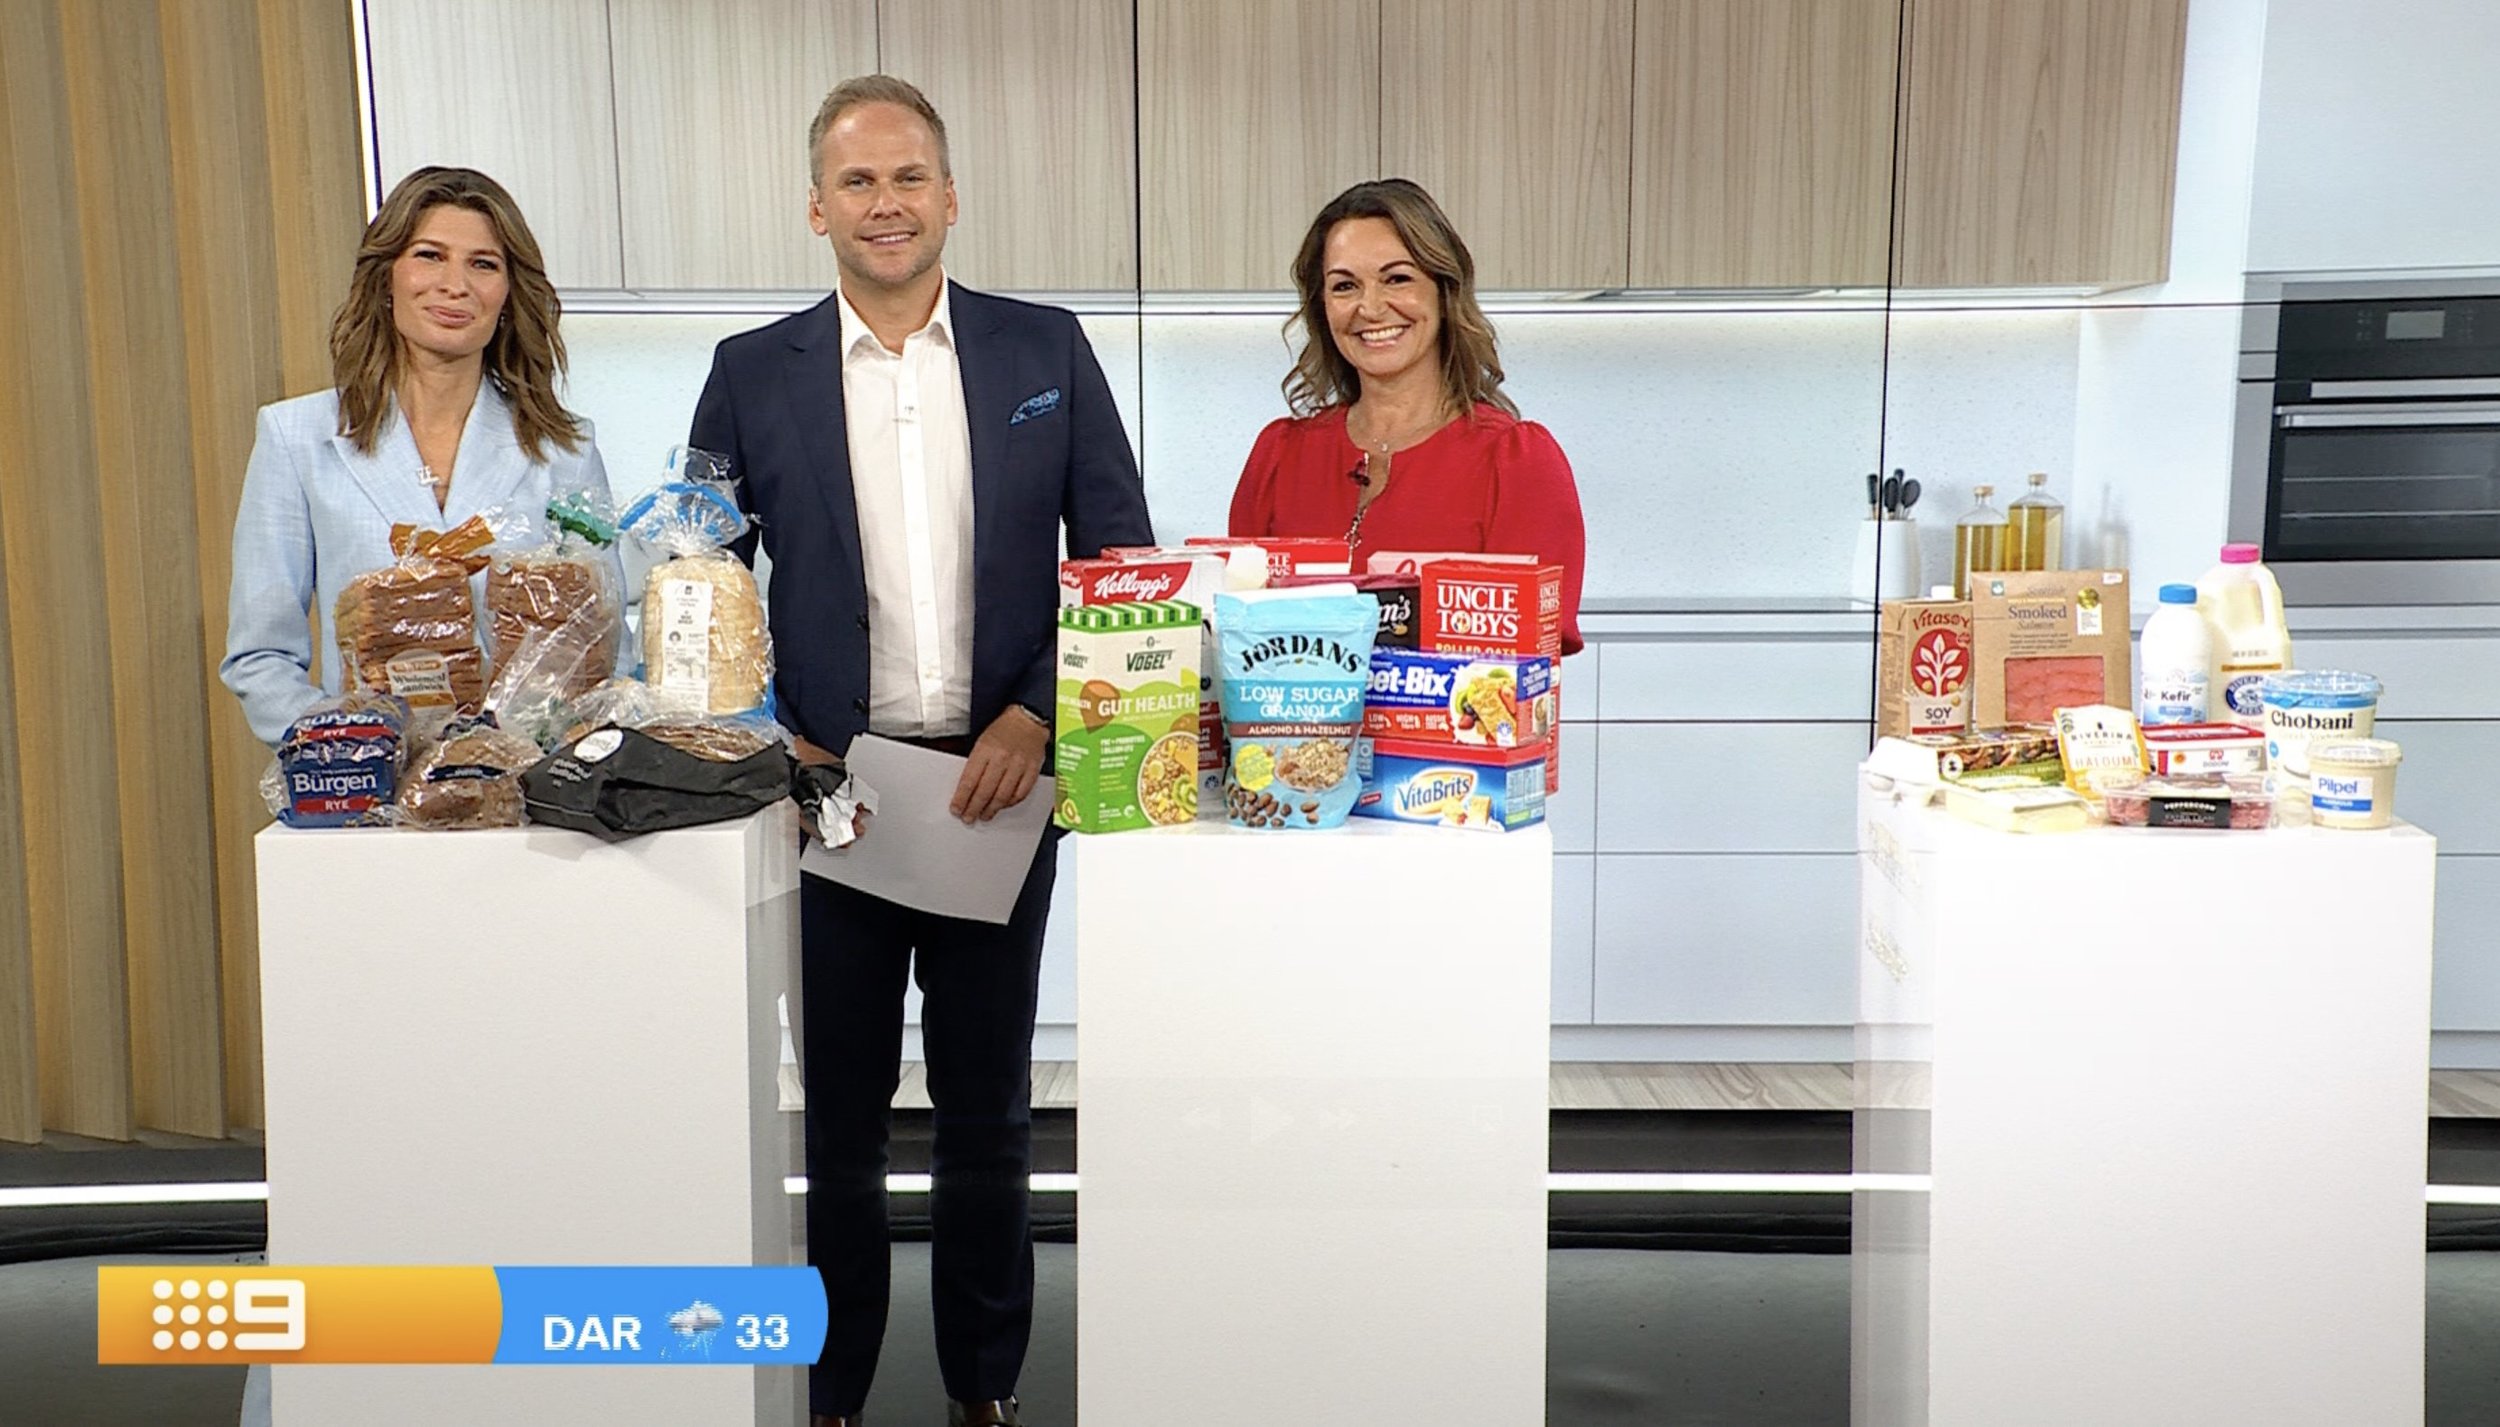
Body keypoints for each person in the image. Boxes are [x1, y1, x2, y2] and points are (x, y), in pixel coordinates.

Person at [688, 76, 1151, 1427]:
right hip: (831, 793)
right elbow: (697, 584)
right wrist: (773, 740)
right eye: (857, 181)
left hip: (997, 786)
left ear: (950, 196)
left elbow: (1120, 565)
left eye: (907, 178)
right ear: (815, 208)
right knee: (838, 1117)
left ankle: (982, 1387)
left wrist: (1039, 714)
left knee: (987, 1109)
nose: (884, 203)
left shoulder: (1044, 349)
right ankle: (830, 1389)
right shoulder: (749, 370)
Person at [222, 165, 616, 745]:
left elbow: (601, 649)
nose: (455, 285)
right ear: (386, 278)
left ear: (509, 294)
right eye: (430, 256)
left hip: (526, 780)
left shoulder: (565, 448)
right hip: (364, 779)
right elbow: (261, 656)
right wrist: (352, 745)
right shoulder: (295, 437)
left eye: (484, 264)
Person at [1228, 178, 1588, 655]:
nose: (1371, 308)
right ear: (1322, 307)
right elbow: (1239, 639)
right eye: (1344, 286)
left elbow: (1528, 667)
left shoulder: (1517, 462)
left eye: (1397, 279)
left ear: (1443, 292)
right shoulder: (1279, 456)